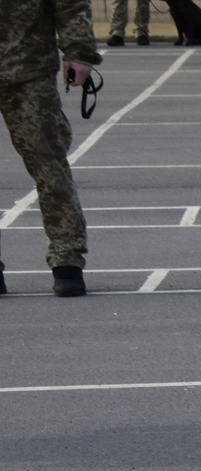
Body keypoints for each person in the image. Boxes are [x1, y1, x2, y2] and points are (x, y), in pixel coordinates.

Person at [0, 0, 98, 297]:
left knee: (50, 168)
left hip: (28, 71)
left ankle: (67, 259)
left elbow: (71, 4)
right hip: (28, 65)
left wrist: (78, 50)